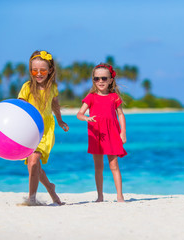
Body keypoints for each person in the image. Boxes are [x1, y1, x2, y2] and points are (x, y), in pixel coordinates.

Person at [18, 50, 69, 205]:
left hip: (45, 129)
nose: (38, 73)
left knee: (33, 162)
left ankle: (31, 199)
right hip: (29, 130)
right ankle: (50, 188)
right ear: (30, 70)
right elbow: (19, 107)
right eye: (35, 70)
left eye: (43, 70)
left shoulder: (52, 87)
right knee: (35, 167)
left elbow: (54, 104)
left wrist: (60, 121)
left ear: (50, 70)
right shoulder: (27, 87)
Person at [77, 63, 127, 202]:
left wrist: (123, 132)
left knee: (114, 165)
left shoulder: (114, 97)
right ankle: (100, 196)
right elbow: (79, 114)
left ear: (110, 79)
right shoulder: (91, 97)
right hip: (96, 135)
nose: (100, 81)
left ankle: (120, 196)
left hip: (112, 134)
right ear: (93, 80)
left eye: (104, 78)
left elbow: (121, 115)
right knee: (98, 167)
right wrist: (87, 118)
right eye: (96, 78)